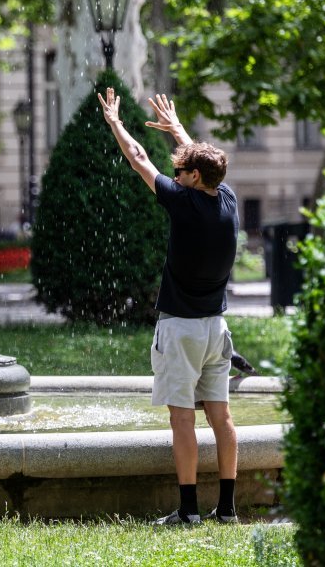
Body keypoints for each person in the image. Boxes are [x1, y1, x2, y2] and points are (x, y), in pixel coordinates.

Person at [97, 89, 240, 525]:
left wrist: (116, 124)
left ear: (194, 177)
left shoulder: (183, 202)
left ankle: (189, 511)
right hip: (217, 330)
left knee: (182, 420)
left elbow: (140, 158)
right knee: (221, 416)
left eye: (181, 170)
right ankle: (228, 509)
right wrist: (177, 128)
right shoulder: (227, 199)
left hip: (181, 329)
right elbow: (197, 162)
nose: (174, 174)